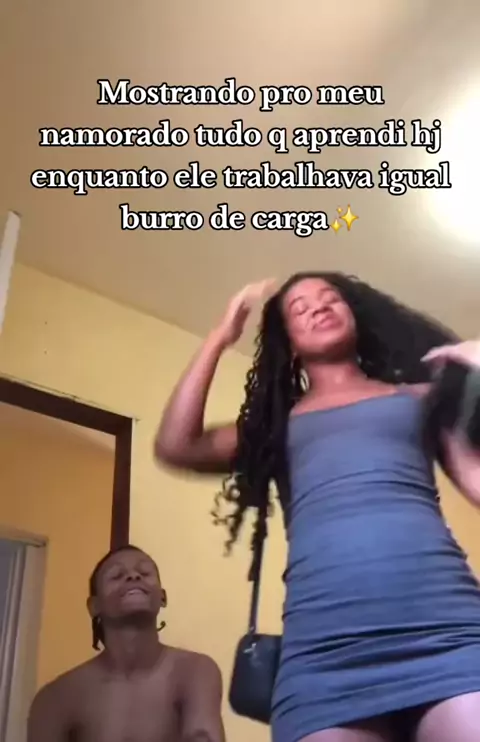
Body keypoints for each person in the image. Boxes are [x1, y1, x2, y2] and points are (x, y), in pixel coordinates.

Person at [154, 272, 480, 742]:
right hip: (325, 655)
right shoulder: (273, 427)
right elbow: (176, 445)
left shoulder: (417, 399)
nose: (318, 307)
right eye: (299, 308)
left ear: (355, 316)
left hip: (449, 632)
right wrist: (219, 338)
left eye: (330, 299)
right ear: (288, 342)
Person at [27, 545, 225, 742]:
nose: (133, 576)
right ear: (94, 606)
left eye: (145, 573)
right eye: (116, 576)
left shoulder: (195, 671)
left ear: (162, 597)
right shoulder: (56, 698)